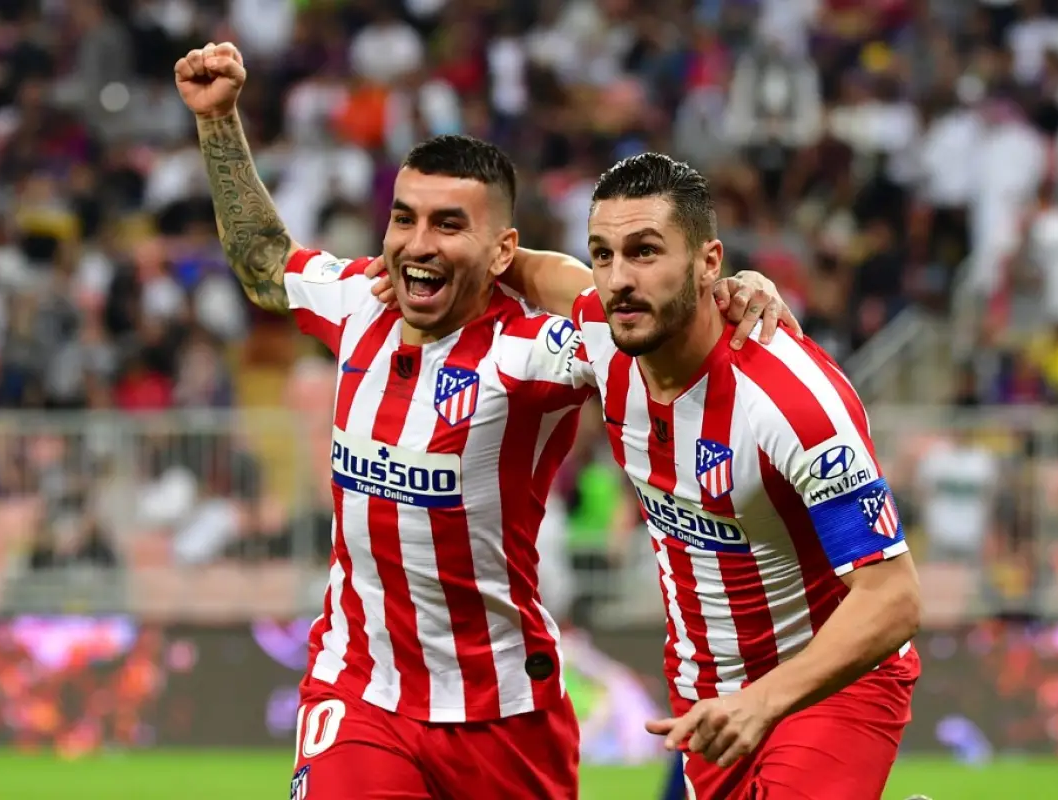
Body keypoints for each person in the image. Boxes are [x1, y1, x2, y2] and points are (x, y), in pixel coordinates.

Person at [174, 43, 795, 799]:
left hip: (505, 712)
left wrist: (724, 289)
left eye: (447, 224)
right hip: (360, 691)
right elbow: (266, 262)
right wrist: (218, 121)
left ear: (503, 248)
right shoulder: (354, 302)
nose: (417, 244)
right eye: (404, 219)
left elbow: (644, 320)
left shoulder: (534, 357)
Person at [495, 153, 923, 799]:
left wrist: (765, 702)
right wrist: (462, 253)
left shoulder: (788, 401)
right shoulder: (605, 338)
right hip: (706, 695)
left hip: (830, 682)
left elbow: (894, 596)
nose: (617, 279)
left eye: (645, 252)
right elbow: (546, 276)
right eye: (604, 254)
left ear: (709, 263)